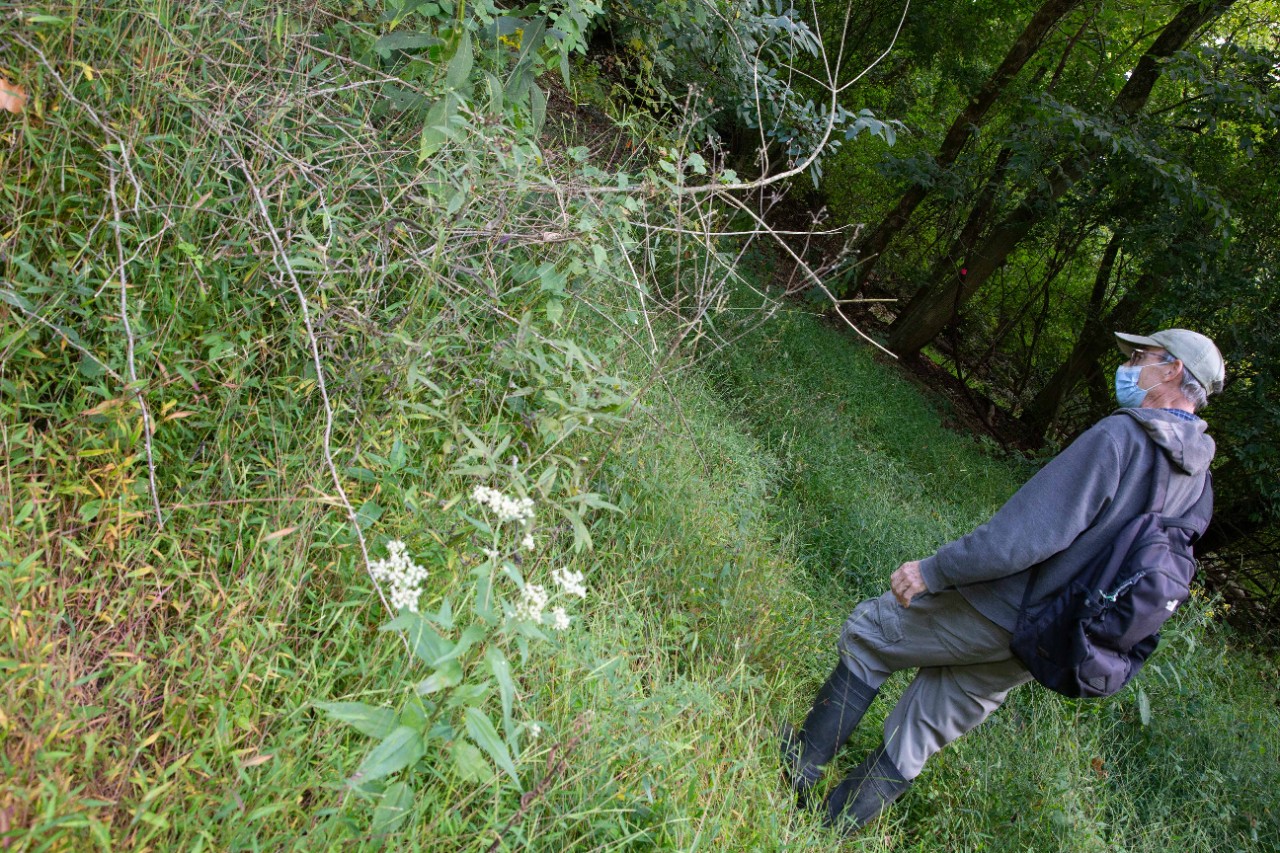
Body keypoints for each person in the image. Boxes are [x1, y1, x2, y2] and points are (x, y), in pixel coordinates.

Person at [781, 328, 1225, 833]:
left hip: (1000, 606)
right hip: (1052, 635)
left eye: (1141, 356)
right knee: (925, 727)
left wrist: (932, 571)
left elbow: (1022, 537)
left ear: (1171, 369)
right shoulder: (1199, 481)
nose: (1130, 365)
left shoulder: (1123, 437)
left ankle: (795, 770)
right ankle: (825, 831)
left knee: (871, 636)